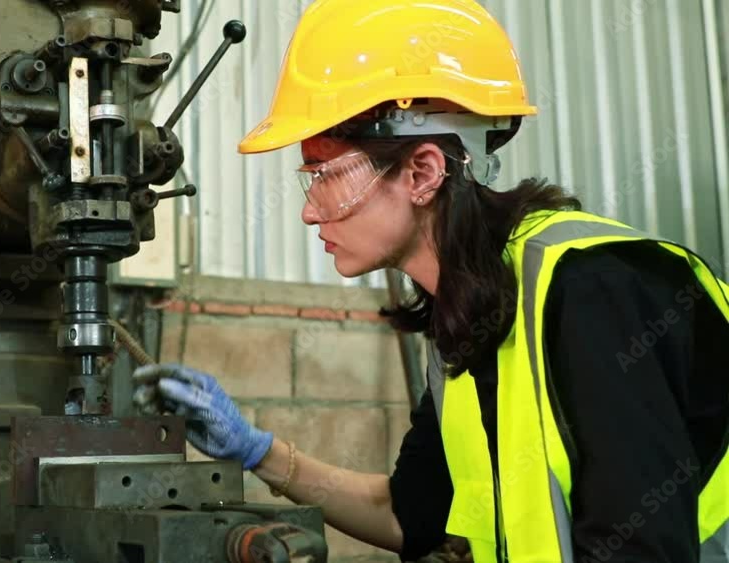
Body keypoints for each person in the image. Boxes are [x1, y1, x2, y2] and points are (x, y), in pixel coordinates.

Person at [132, 1, 729, 561]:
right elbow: (407, 516)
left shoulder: (597, 289)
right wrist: (257, 451)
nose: (310, 212)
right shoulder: (467, 320)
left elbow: (643, 545)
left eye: (325, 174)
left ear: (422, 172)